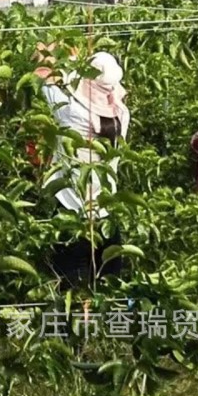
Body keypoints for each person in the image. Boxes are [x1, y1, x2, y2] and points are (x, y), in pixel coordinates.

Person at [33, 43, 130, 287]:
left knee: (68, 284)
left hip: (72, 212)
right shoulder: (121, 116)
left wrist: (56, 50)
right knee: (110, 285)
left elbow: (42, 73)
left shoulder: (71, 111)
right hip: (106, 214)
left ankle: (70, 324)